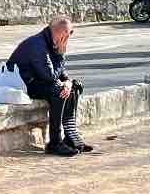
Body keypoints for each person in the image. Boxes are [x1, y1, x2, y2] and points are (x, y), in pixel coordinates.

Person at [6, 15, 92, 156]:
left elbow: (59, 73)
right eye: (69, 34)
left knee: (75, 86)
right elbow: (49, 76)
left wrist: (68, 82)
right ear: (61, 32)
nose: (69, 37)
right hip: (22, 84)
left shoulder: (49, 41)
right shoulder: (37, 44)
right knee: (58, 90)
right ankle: (55, 143)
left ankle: (70, 137)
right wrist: (61, 54)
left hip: (39, 81)